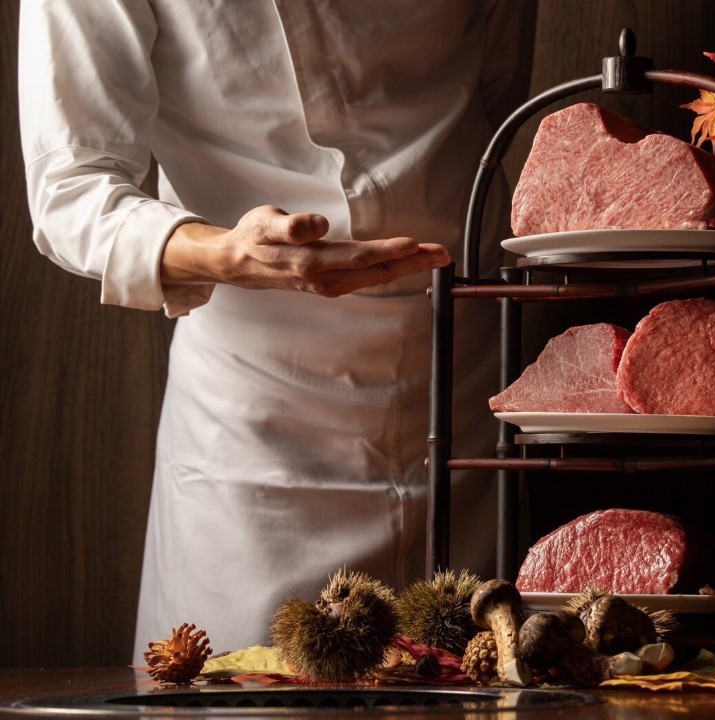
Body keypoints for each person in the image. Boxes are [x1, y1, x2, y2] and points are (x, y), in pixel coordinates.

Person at [18, 0, 535, 659]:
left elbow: (496, 89)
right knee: (241, 683)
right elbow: (71, 184)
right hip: (252, 403)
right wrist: (231, 254)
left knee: (479, 671)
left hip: (462, 366)